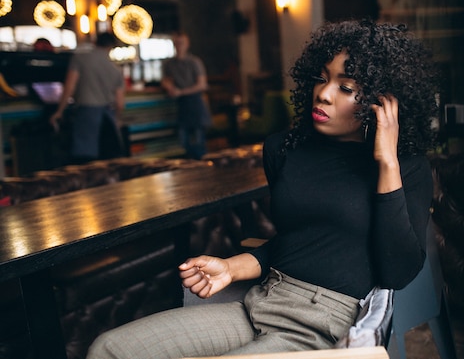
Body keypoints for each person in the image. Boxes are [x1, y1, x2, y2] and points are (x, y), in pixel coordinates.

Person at [87, 20, 441, 358]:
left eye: (345, 88)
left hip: (320, 325)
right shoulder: (285, 150)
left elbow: (397, 273)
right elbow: (299, 244)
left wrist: (387, 163)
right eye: (322, 78)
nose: (323, 94)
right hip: (260, 302)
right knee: (110, 349)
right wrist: (231, 268)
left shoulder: (405, 168)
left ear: (382, 103)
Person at [49, 32, 125, 164]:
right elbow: (119, 103)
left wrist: (59, 111)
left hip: (86, 115)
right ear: (112, 47)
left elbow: (69, 87)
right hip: (108, 118)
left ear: (94, 42)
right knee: (106, 161)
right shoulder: (116, 69)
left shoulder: (80, 59)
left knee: (85, 162)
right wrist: (117, 119)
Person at [161, 32, 212, 159]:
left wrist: (181, 92)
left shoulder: (194, 62)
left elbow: (202, 84)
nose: (179, 46)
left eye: (181, 43)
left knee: (199, 144)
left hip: (195, 103)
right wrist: (169, 87)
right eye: (177, 43)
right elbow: (166, 80)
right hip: (181, 106)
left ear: (187, 44)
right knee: (184, 145)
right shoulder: (170, 64)